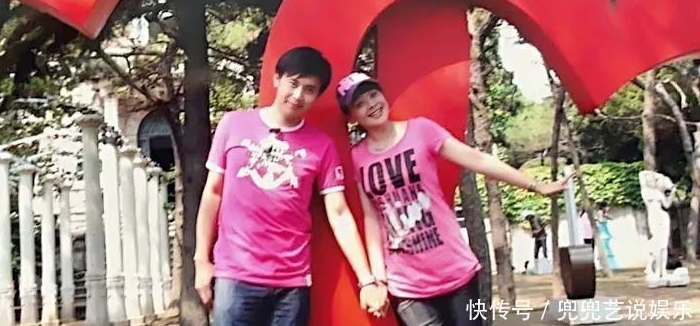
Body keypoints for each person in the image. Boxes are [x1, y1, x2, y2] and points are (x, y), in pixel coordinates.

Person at [336, 72, 572, 326]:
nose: (371, 104)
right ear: (352, 117)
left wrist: (534, 185)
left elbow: (477, 159)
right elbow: (373, 219)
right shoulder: (357, 158)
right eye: (360, 104)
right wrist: (378, 279)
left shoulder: (421, 130)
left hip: (456, 273)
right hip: (407, 286)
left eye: (373, 95)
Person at [194, 49, 387, 326]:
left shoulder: (322, 145)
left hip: (292, 285)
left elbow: (339, 213)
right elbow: (213, 193)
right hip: (235, 279)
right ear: (276, 79)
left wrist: (366, 280)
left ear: (316, 96)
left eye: (309, 89)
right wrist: (202, 261)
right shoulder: (233, 124)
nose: (298, 95)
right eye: (293, 84)